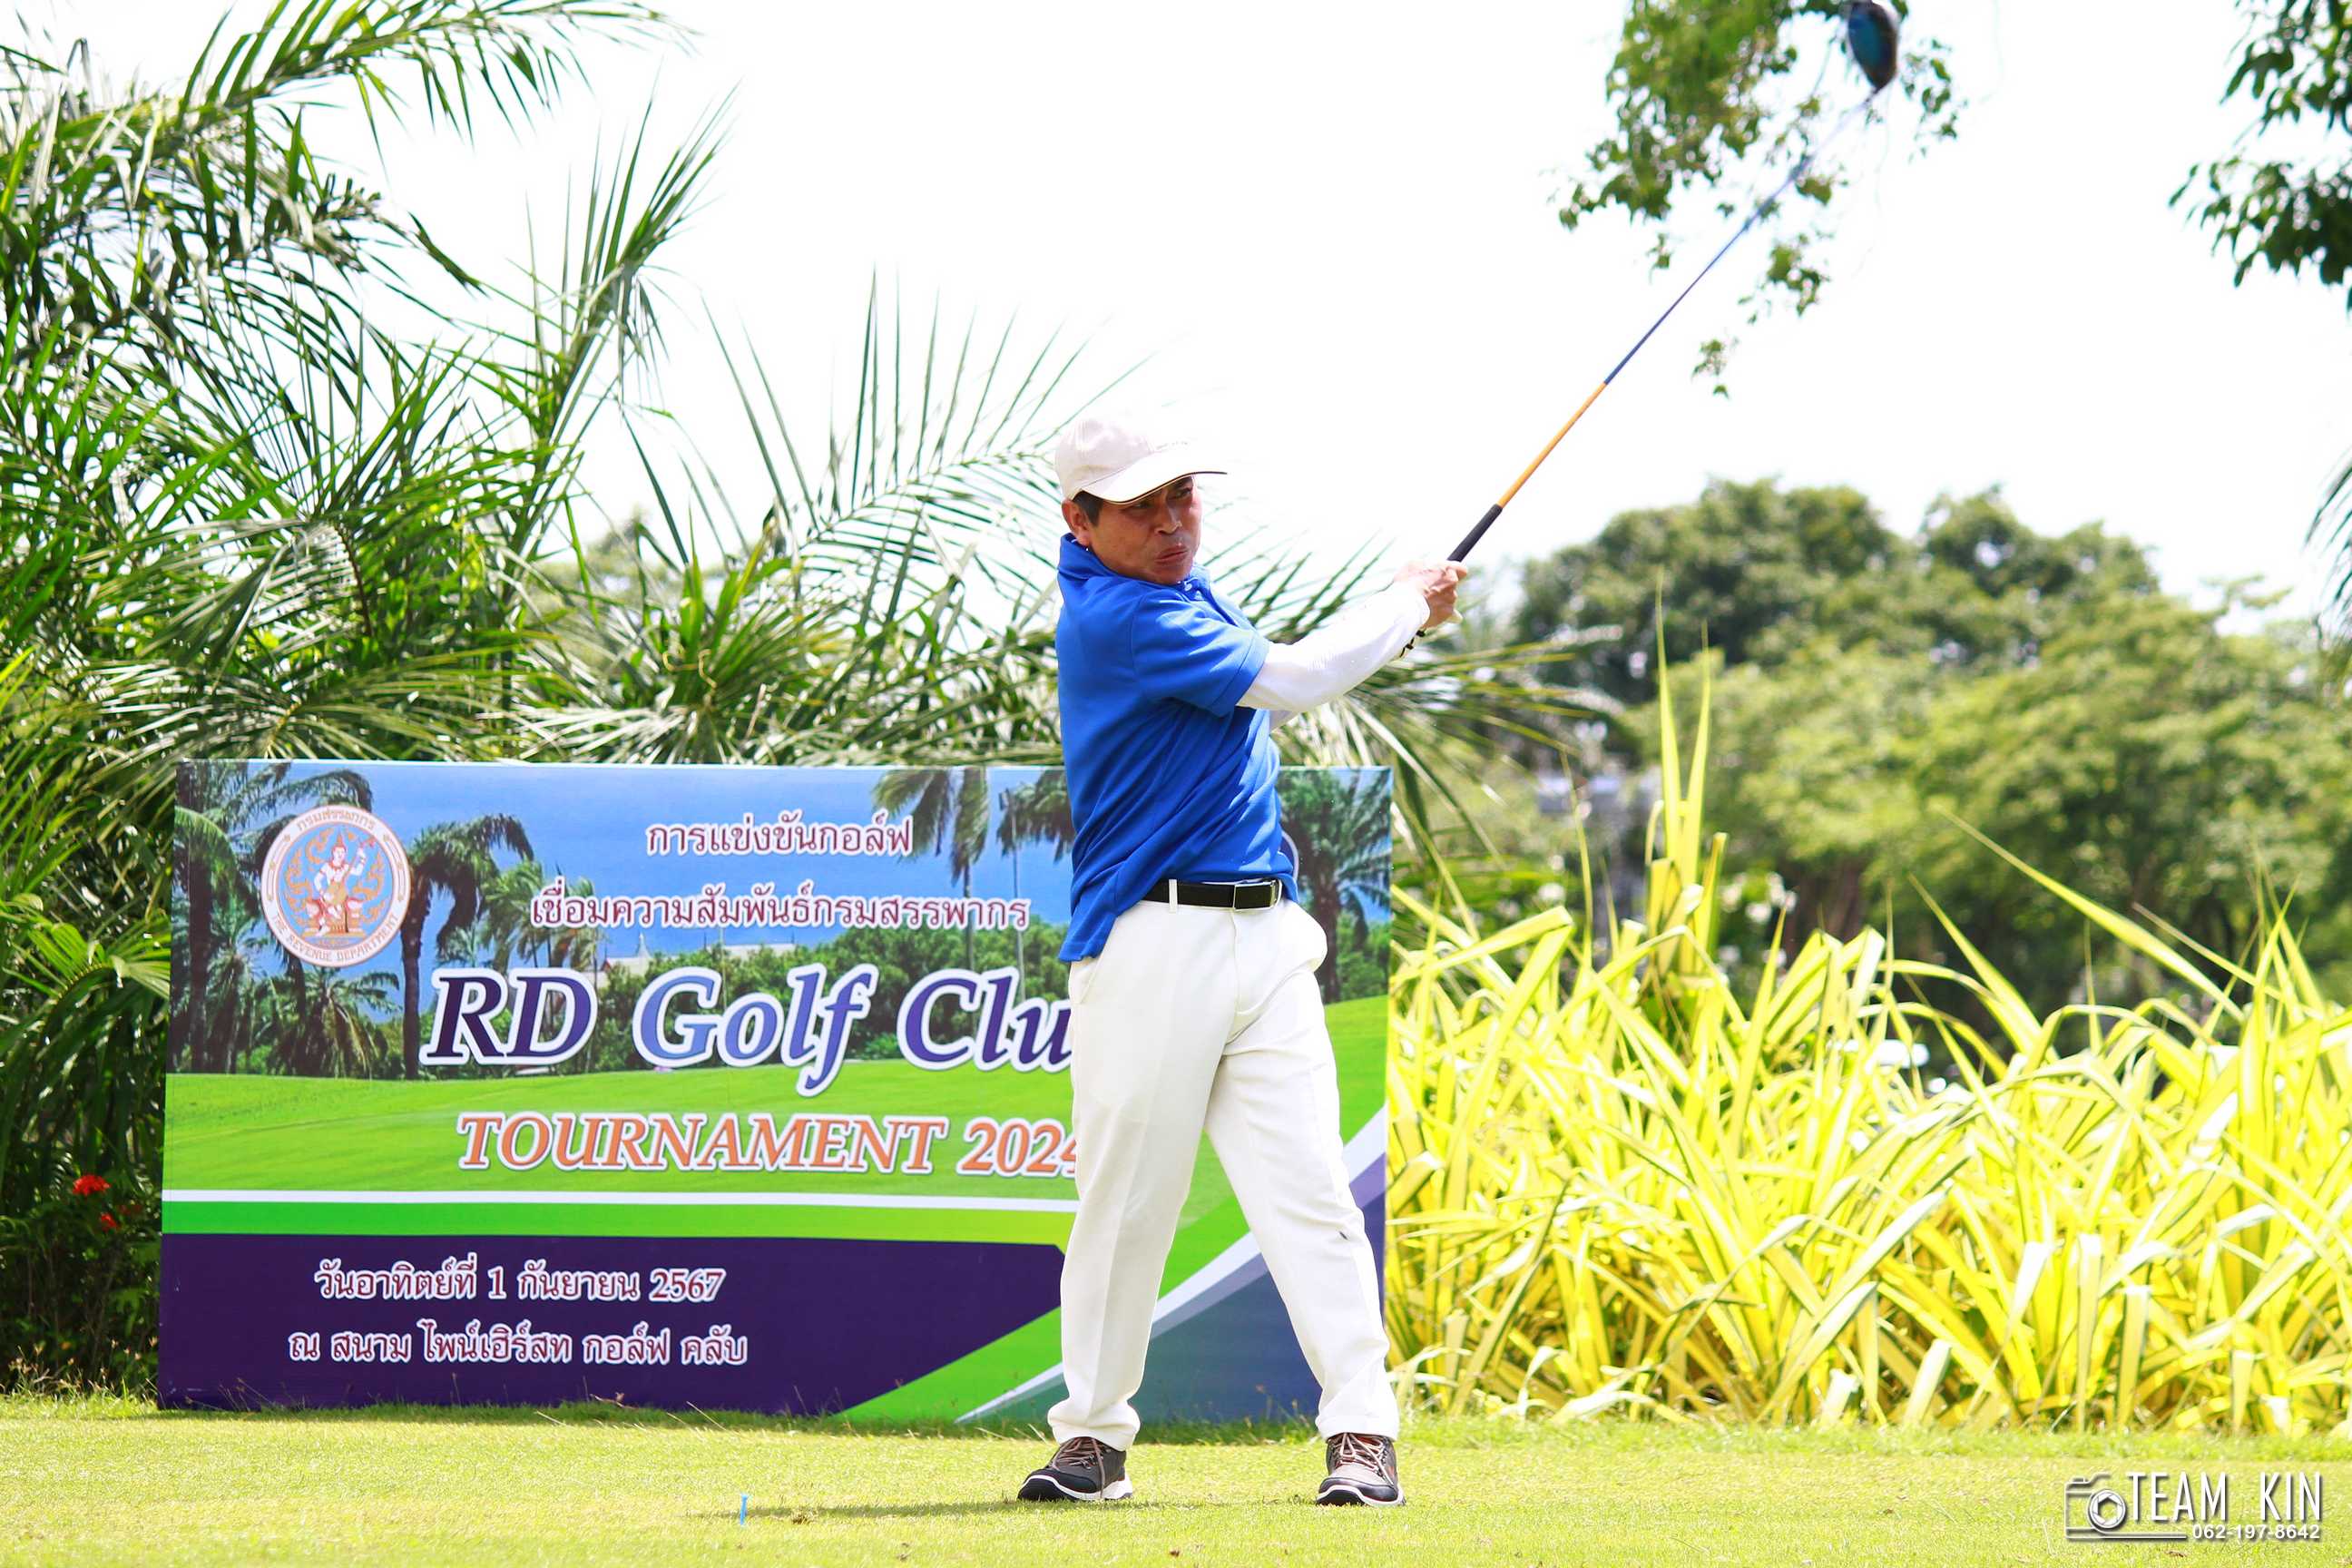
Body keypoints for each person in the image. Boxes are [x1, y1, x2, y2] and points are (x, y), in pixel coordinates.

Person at [1016, 411, 1464, 1508]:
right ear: (1080, 520)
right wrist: (1408, 602)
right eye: (1142, 507)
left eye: (1183, 496)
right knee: (1126, 1207)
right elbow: (1300, 678)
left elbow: (1289, 670)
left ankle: (1361, 1436)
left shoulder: (1181, 589)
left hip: (1266, 935)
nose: (1173, 523)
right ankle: (1092, 1441)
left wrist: (1401, 615)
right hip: (1152, 941)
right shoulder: (1118, 615)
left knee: (1310, 1193)